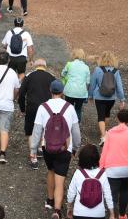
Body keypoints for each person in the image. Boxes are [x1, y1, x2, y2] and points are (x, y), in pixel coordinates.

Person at [30, 80, 81, 219]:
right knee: (60, 179)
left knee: (51, 171)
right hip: (65, 148)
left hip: (48, 148)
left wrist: (33, 150)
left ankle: (49, 199)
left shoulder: (43, 107)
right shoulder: (69, 108)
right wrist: (76, 147)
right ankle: (57, 210)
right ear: (62, 92)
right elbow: (76, 132)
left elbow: (37, 131)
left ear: (50, 91)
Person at [100, 110, 128, 219]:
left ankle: (112, 215)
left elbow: (104, 152)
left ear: (117, 119)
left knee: (112, 193)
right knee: (124, 190)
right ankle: (122, 215)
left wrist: (101, 167)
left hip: (111, 169)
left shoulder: (110, 133)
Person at [18, 58, 55, 169]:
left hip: (32, 107)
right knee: (43, 128)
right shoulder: (51, 77)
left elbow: (21, 94)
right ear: (45, 66)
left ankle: (33, 157)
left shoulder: (29, 76)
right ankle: (40, 148)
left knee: (30, 131)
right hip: (47, 109)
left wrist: (22, 108)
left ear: (35, 66)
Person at [66, 144, 115, 219]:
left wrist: (69, 207)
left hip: (79, 212)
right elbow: (108, 195)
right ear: (97, 158)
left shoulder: (78, 173)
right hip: (98, 214)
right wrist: (112, 213)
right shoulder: (102, 174)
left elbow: (71, 192)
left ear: (82, 158)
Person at [89, 51, 126, 146]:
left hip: (99, 97)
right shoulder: (116, 71)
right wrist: (122, 99)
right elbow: (119, 87)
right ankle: (105, 132)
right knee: (107, 114)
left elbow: (92, 84)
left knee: (100, 116)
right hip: (111, 98)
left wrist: (90, 96)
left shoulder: (97, 70)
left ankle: (103, 136)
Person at [61, 48, 91, 123]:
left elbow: (62, 74)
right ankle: (76, 126)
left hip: (69, 91)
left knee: (68, 108)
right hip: (81, 92)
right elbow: (88, 82)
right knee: (78, 109)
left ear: (74, 55)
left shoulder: (69, 64)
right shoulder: (86, 67)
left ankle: (67, 124)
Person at [1, 17, 34, 81]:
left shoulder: (9, 32)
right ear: (22, 24)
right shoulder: (26, 34)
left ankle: (12, 87)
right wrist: (31, 60)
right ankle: (19, 86)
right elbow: (30, 49)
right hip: (21, 59)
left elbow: (4, 45)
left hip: (10, 58)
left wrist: (8, 47)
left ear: (14, 24)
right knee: (21, 74)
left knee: (10, 74)